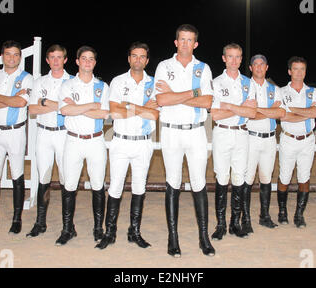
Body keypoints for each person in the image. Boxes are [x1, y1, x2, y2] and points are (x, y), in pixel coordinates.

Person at [154, 24, 215, 257]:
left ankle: (203, 238)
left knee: (199, 182)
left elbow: (208, 101)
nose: (186, 43)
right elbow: (161, 98)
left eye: (190, 40)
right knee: (173, 182)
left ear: (196, 44)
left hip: (196, 131)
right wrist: (193, 92)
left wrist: (176, 94)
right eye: (182, 39)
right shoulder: (163, 66)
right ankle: (173, 238)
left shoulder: (204, 68)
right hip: (170, 131)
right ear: (175, 42)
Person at [96, 42, 159, 250]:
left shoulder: (154, 83)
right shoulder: (117, 81)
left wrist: (129, 106)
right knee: (115, 186)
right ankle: (110, 232)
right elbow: (114, 112)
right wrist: (141, 108)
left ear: (147, 60)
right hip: (120, 140)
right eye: (134, 56)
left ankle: (135, 232)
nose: (138, 59)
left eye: (142, 56)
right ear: (129, 58)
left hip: (143, 143)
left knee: (139, 188)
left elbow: (155, 114)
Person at [56, 46, 110, 246]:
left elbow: (103, 114)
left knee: (98, 185)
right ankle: (68, 229)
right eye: (84, 59)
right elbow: (65, 111)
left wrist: (77, 108)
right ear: (77, 61)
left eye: (91, 59)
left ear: (95, 62)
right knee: (69, 185)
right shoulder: (68, 85)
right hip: (73, 140)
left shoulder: (102, 87)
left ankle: (98, 229)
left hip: (96, 140)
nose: (87, 62)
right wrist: (91, 105)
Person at [0, 40, 33, 234]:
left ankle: (16, 219)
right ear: (2, 56)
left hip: (15, 132)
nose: (12, 58)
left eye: (16, 54)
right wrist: (7, 99)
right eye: (8, 54)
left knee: (17, 174)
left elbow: (20, 102)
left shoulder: (27, 78)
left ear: (20, 57)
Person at [210, 43, 257, 240]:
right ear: (224, 58)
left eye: (238, 57)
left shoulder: (249, 83)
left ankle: (234, 224)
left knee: (239, 177)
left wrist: (228, 106)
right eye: (230, 56)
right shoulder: (216, 83)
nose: (234, 60)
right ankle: (220, 224)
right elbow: (215, 115)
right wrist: (240, 107)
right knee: (221, 178)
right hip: (222, 133)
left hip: (242, 134)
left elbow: (252, 112)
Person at [26, 44, 73, 238]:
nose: (55, 61)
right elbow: (32, 110)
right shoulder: (40, 82)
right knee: (43, 178)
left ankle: (67, 226)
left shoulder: (72, 81)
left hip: (64, 134)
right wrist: (58, 106)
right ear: (47, 60)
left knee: (66, 180)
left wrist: (45, 102)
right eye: (52, 57)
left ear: (65, 60)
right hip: (44, 134)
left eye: (59, 57)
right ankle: (40, 222)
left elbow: (71, 109)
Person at [278, 56, 316, 228]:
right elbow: (283, 115)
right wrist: (306, 112)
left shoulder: (313, 92)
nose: (299, 72)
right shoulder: (281, 92)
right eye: (295, 69)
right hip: (288, 138)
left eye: (302, 69)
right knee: (284, 177)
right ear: (289, 71)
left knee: (305, 177)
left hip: (307, 139)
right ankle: (282, 212)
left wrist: (293, 110)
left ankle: (299, 214)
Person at [244, 54, 286, 232]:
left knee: (266, 178)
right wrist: (270, 110)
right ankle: (245, 219)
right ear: (251, 68)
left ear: (267, 67)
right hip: (250, 137)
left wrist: (257, 109)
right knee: (247, 179)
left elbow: (280, 113)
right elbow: (247, 113)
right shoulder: (245, 86)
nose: (259, 67)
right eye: (256, 64)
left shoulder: (274, 89)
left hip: (269, 138)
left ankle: (265, 216)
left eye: (262, 64)